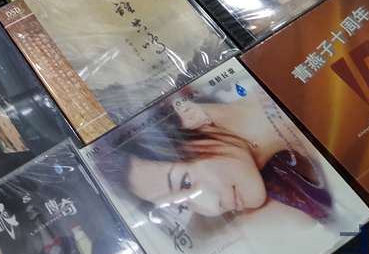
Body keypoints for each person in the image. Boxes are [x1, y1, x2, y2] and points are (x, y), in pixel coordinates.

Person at [90, 93, 342, 241]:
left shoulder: (298, 96)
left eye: (186, 183)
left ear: (188, 115)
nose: (212, 208)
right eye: (184, 204)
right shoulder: (271, 189)